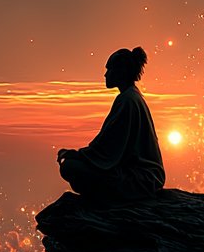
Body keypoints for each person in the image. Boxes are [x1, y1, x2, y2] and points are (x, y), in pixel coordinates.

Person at [57, 47, 165, 200]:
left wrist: (78, 155)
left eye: (109, 69)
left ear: (121, 71)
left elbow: (108, 147)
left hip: (141, 178)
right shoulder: (131, 96)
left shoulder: (127, 100)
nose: (105, 74)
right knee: (74, 168)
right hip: (143, 175)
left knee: (69, 166)